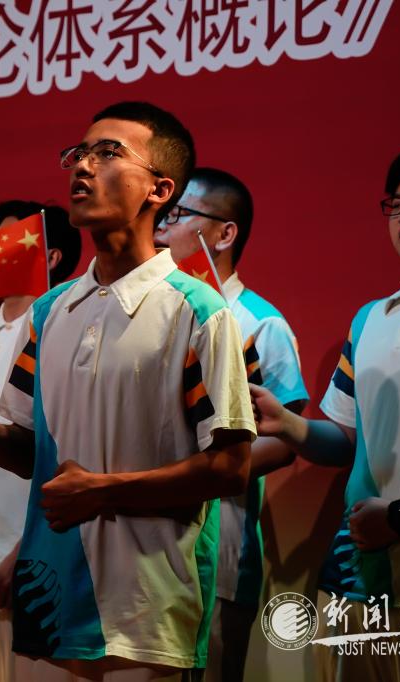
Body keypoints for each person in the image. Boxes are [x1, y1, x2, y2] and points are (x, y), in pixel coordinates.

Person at [0, 102, 256, 681]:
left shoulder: (198, 312)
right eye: (79, 153)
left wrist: (103, 491)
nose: (83, 166)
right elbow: (31, 454)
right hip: (50, 604)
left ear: (159, 190)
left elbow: (230, 467)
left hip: (145, 615)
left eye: (109, 153)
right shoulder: (49, 312)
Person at [252, 141, 400, 680]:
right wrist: (289, 425)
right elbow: (346, 440)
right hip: (364, 579)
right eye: (396, 204)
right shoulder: (371, 318)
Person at [154, 168, 309, 682]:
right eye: (162, 214)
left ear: (224, 233)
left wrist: (195, 474)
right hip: (145, 547)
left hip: (220, 553)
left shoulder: (260, 322)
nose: (160, 226)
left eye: (178, 215)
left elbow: (282, 442)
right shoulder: (154, 313)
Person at [0, 200, 81, 682]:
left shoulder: (60, 333)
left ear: (50, 256)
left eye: (8, 241)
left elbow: (67, 452)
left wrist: (26, 547)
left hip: (17, 558)